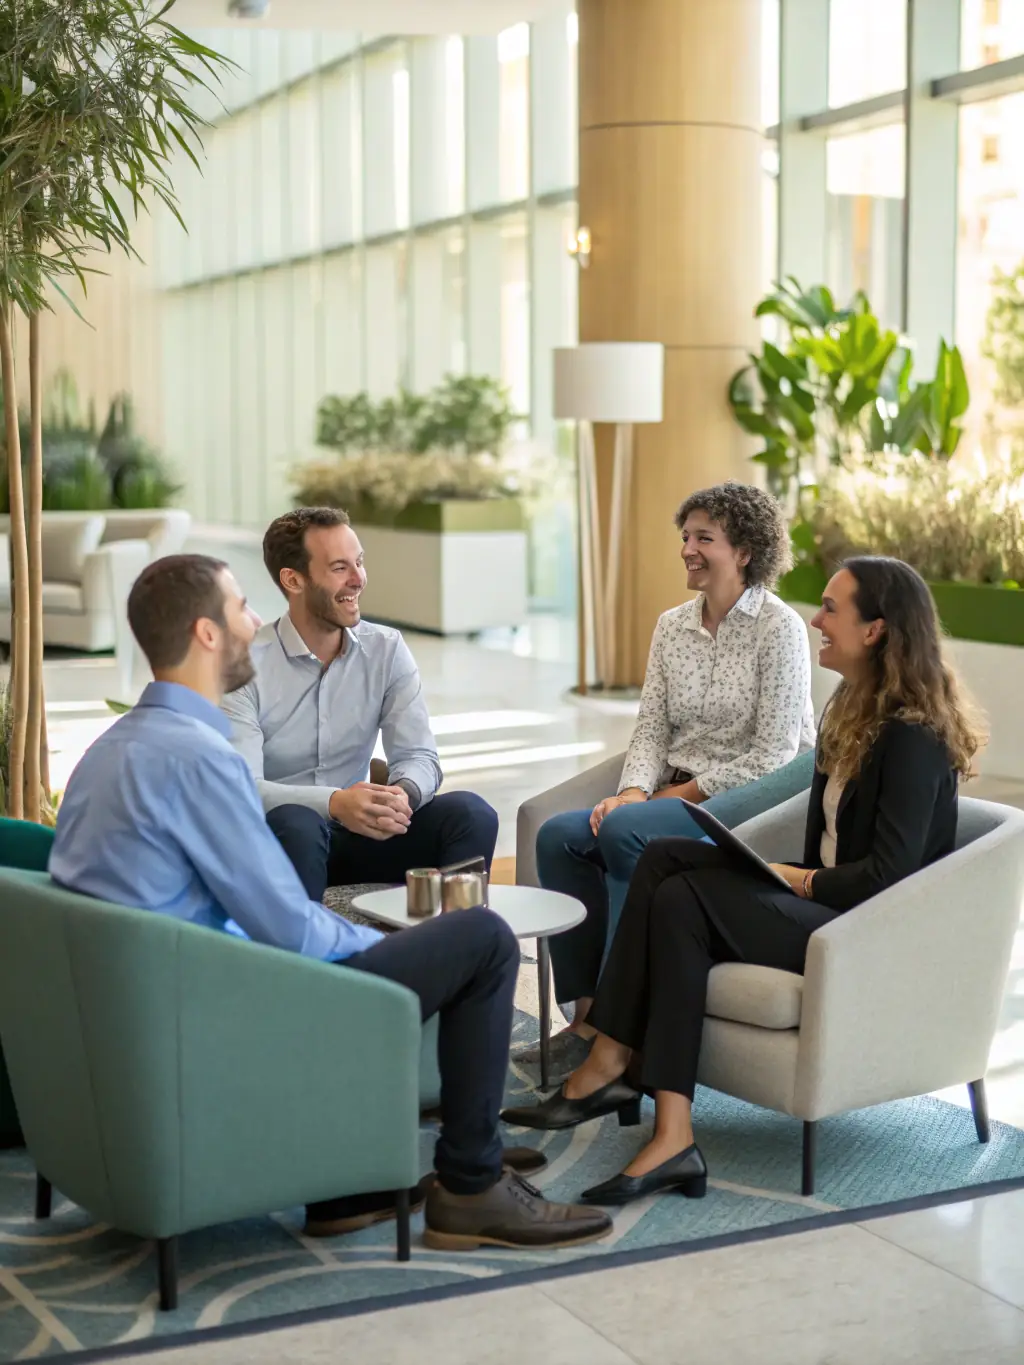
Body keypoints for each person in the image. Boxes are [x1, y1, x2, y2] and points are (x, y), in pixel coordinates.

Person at [49, 554, 611, 1251]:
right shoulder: (199, 757)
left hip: (162, 1006)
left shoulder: (111, 748)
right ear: (206, 634)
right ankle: (471, 1182)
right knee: (482, 939)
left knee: (442, 934)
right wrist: (378, 947)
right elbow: (288, 929)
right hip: (224, 1009)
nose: (254, 623)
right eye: (239, 610)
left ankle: (356, 1185)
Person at [503, 556, 985, 1205]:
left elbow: (887, 879)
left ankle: (610, 1060)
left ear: (875, 630)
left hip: (858, 926)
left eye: (833, 609)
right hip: (816, 903)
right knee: (666, 869)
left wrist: (798, 880)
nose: (817, 619)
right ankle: (669, 1128)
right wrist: (781, 874)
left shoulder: (911, 738)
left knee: (678, 885)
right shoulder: (850, 706)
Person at [521, 482, 816, 1077]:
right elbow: (651, 727)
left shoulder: (778, 628)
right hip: (666, 793)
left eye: (705, 538)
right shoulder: (672, 626)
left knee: (627, 834)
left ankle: (618, 1028)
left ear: (746, 551)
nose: (688, 549)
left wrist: (668, 798)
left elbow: (777, 754)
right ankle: (585, 1013)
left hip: (748, 797)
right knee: (558, 836)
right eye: (686, 536)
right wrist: (633, 789)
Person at [221, 507, 498, 902]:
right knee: (297, 823)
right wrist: (335, 803)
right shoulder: (244, 664)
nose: (358, 579)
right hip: (282, 845)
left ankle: (456, 943)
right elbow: (241, 788)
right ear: (293, 579)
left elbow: (420, 755)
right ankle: (306, 960)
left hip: (364, 837)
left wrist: (402, 795)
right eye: (339, 568)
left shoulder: (386, 650)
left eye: (359, 562)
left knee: (471, 814)